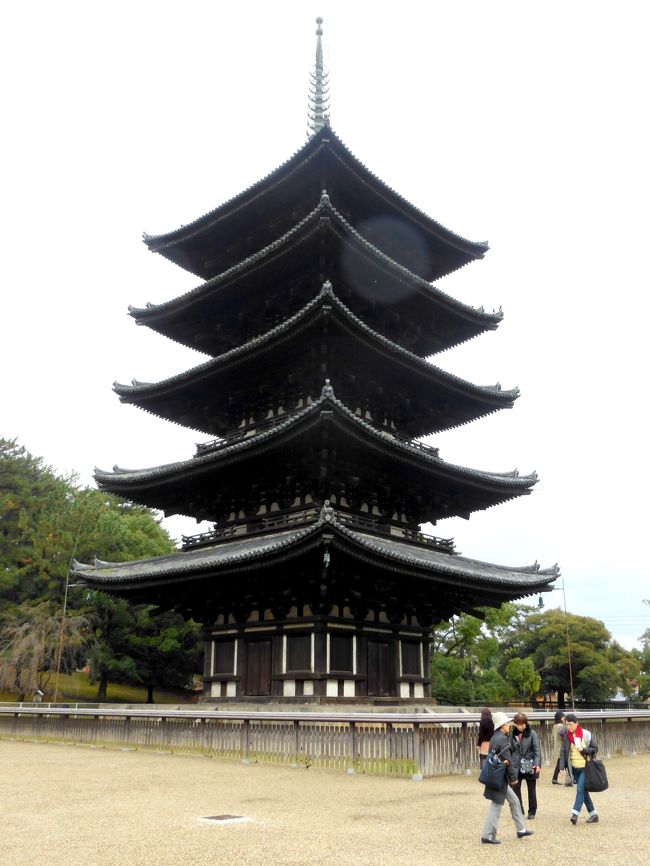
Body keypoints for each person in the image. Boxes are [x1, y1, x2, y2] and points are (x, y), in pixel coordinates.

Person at [480, 711, 534, 844]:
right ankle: (487, 835)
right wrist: (513, 778)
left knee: (514, 801)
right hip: (500, 778)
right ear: (502, 725)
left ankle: (521, 829)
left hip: (497, 776)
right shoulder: (503, 739)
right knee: (496, 806)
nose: (509, 725)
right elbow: (508, 760)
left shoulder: (494, 737)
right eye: (507, 723)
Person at [558, 712, 599, 825]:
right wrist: (561, 767)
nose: (568, 727)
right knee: (583, 792)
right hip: (574, 768)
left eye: (570, 724)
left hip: (585, 767)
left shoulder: (586, 734)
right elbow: (563, 752)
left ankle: (574, 814)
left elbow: (595, 748)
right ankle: (594, 815)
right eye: (566, 724)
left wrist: (584, 750)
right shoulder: (567, 736)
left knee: (580, 789)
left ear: (576, 723)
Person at [510, 711, 541, 819]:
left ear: (525, 723)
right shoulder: (511, 734)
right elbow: (510, 750)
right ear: (515, 724)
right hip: (515, 765)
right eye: (518, 724)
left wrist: (537, 764)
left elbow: (537, 750)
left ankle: (532, 811)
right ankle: (519, 810)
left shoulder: (532, 734)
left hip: (529, 763)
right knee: (516, 788)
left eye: (522, 724)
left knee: (531, 789)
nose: (521, 726)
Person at [551, 710, 566, 784]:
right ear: (560, 718)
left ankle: (554, 779)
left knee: (559, 763)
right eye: (563, 717)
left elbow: (552, 738)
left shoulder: (555, 726)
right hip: (561, 747)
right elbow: (564, 735)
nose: (564, 718)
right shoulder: (561, 726)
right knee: (561, 763)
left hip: (556, 747)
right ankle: (555, 779)